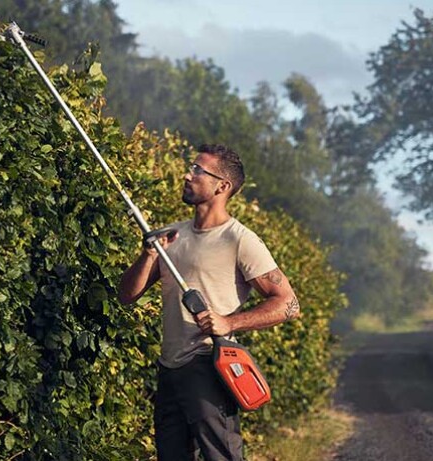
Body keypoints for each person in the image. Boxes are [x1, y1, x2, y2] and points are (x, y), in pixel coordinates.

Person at [117, 144, 300, 461]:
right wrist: (148, 255)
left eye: (198, 170)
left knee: (221, 456)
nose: (187, 175)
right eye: (191, 167)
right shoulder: (170, 237)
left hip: (209, 365)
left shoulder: (239, 239)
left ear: (222, 186)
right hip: (169, 367)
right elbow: (127, 296)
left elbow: (289, 304)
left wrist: (230, 322)